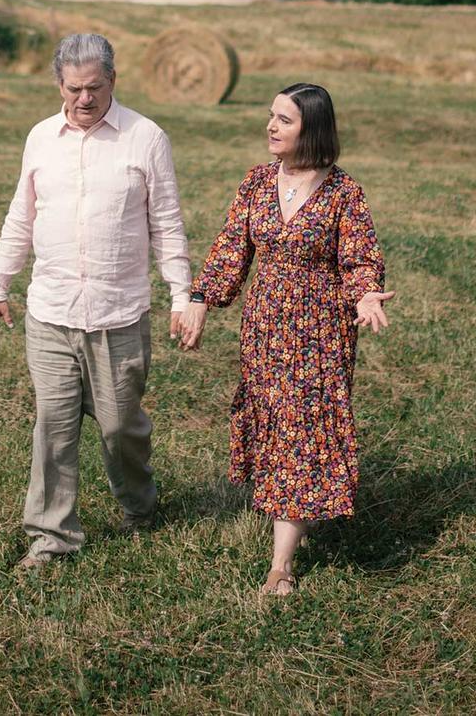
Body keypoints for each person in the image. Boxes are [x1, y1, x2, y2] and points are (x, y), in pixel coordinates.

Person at [0, 32, 193, 568]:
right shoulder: (40, 138)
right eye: (74, 89)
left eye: (94, 88)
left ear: (112, 82)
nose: (84, 99)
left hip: (118, 314)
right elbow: (21, 216)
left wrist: (181, 294)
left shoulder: (145, 137)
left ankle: (140, 507)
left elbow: (166, 221)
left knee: (122, 425)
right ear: (59, 84)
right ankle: (52, 537)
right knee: (53, 425)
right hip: (50, 311)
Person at [178, 83, 393, 596]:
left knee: (303, 427)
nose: (270, 126)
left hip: (321, 329)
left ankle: (281, 565)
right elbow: (232, 247)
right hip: (265, 328)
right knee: (277, 423)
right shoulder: (255, 182)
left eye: (285, 120)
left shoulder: (344, 192)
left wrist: (365, 295)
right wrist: (201, 298)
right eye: (270, 115)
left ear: (311, 129)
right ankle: (296, 503)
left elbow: (360, 258)